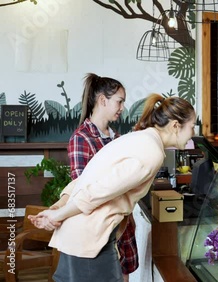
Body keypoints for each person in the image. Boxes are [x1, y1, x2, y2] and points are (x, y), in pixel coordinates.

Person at [29, 94, 196, 282]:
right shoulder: (152, 152)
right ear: (175, 125)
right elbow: (98, 191)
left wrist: (59, 208)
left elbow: (88, 178)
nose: (193, 133)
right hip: (90, 236)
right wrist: (57, 214)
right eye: (191, 127)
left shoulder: (139, 138)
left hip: (80, 233)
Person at [63, 73, 138, 281]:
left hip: (123, 226)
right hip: (100, 231)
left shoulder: (119, 139)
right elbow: (83, 190)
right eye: (119, 101)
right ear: (103, 100)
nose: (122, 107)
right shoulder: (81, 138)